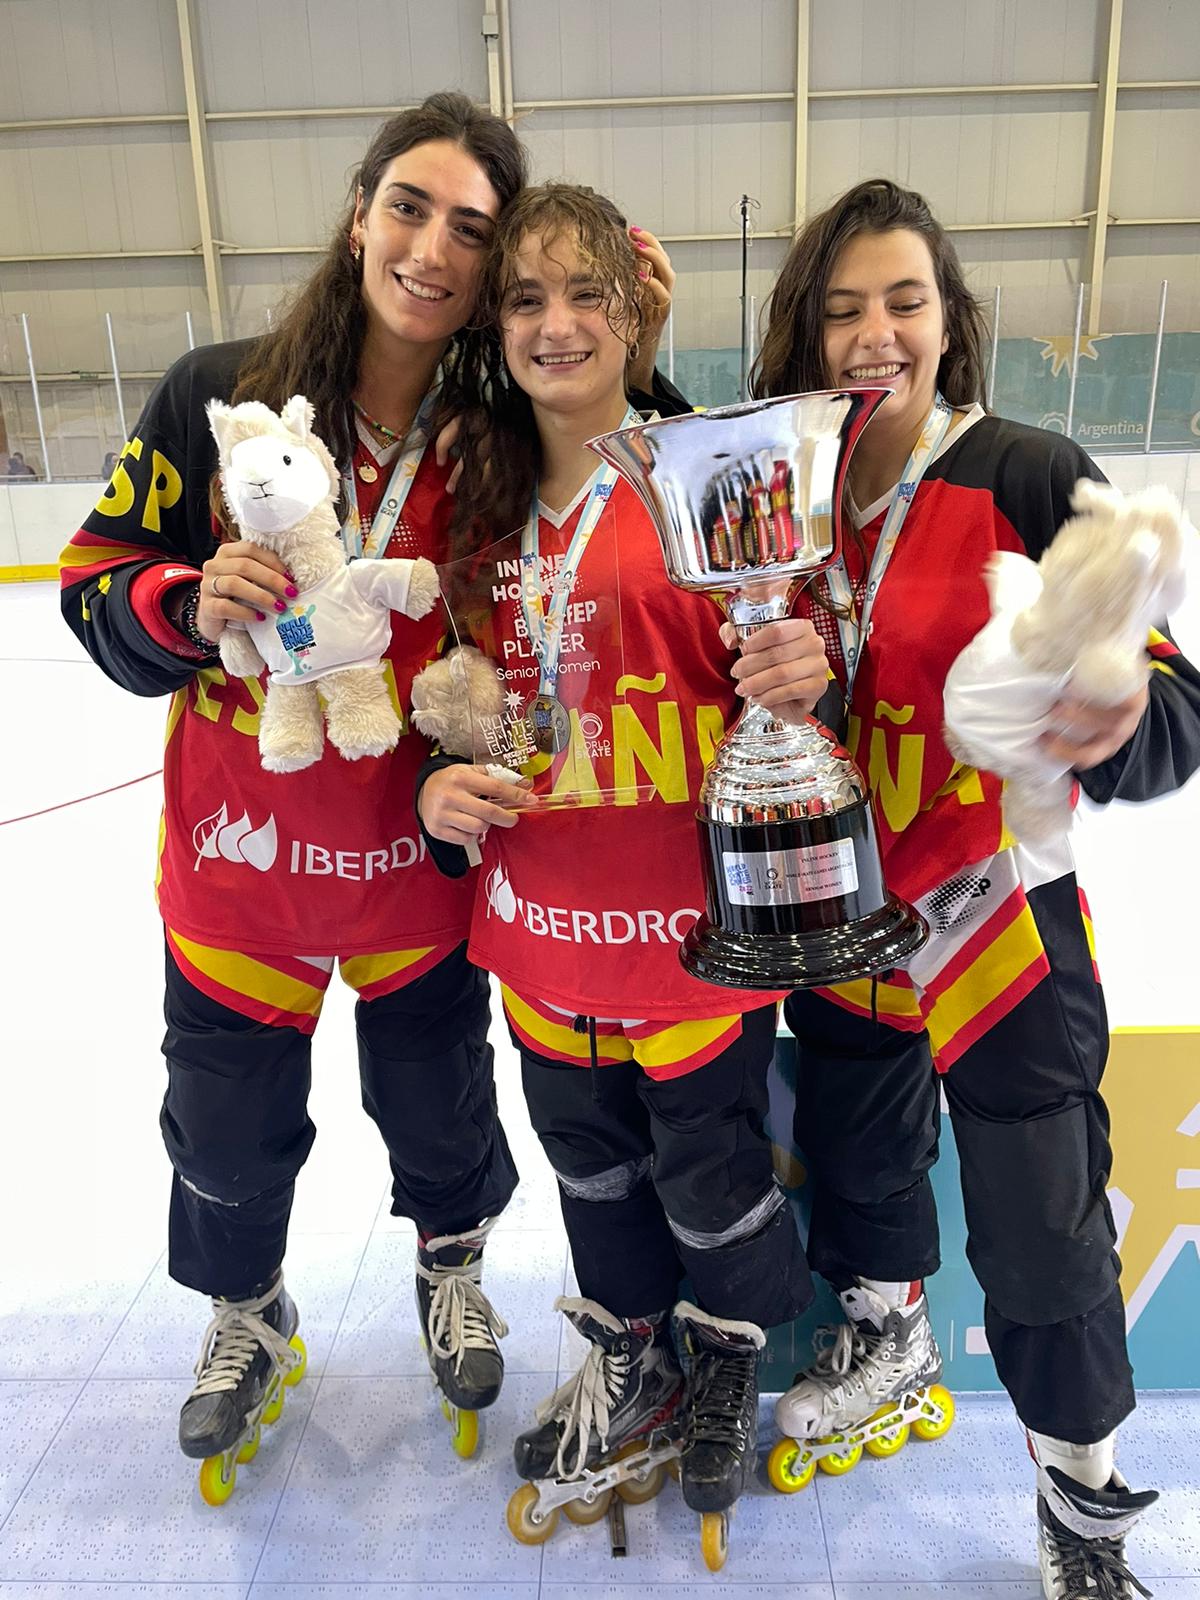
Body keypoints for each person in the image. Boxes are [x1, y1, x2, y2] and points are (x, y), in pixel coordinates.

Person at [58, 92, 674, 1500]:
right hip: (241, 865)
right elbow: (99, 588)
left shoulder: (496, 427)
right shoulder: (222, 396)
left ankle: (449, 1270)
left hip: (415, 874)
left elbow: (659, 477)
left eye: (471, 227)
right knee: (223, 1130)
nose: (433, 248)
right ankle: (248, 1314)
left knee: (441, 1112)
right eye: (409, 205)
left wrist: (643, 335)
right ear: (359, 217)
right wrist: (176, 598)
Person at [752, 178, 1200, 1598]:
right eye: (840, 310)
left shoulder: (1024, 469)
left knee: (1041, 1214)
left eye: (903, 302)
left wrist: (1119, 718)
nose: (872, 335)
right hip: (836, 910)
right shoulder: (780, 495)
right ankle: (884, 1334)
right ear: (803, 334)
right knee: (862, 1158)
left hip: (997, 927)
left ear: (950, 320)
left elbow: (1176, 703)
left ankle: (1078, 1496)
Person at [416, 183, 827, 1565]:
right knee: (590, 1173)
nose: (555, 323)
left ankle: (726, 1350)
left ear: (637, 306)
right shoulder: (467, 496)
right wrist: (435, 780)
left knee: (711, 1179)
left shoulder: (703, 469)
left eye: (584, 292)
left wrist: (799, 678)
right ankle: (631, 1348)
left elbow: (792, 672)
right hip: (537, 936)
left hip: (687, 946)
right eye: (524, 299)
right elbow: (432, 696)